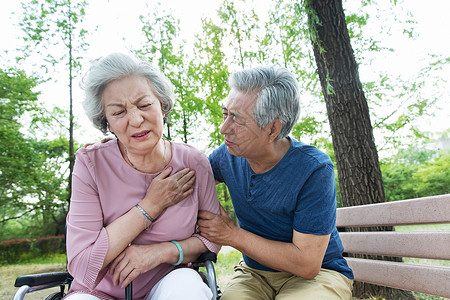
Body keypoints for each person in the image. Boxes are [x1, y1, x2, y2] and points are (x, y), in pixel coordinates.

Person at [65, 52, 220, 300]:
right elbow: (82, 266)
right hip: (99, 293)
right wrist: (150, 206)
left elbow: (212, 240)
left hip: (169, 282)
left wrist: (162, 252)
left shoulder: (193, 162)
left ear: (162, 104)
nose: (136, 120)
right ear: (107, 122)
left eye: (144, 105)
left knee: (187, 287)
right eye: (118, 112)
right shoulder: (91, 163)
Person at [197, 66, 354, 299]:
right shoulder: (226, 156)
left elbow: (307, 264)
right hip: (255, 273)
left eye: (237, 120)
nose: (223, 129)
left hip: (319, 275)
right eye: (225, 114)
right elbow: (191, 185)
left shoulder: (314, 168)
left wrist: (232, 235)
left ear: (273, 128)